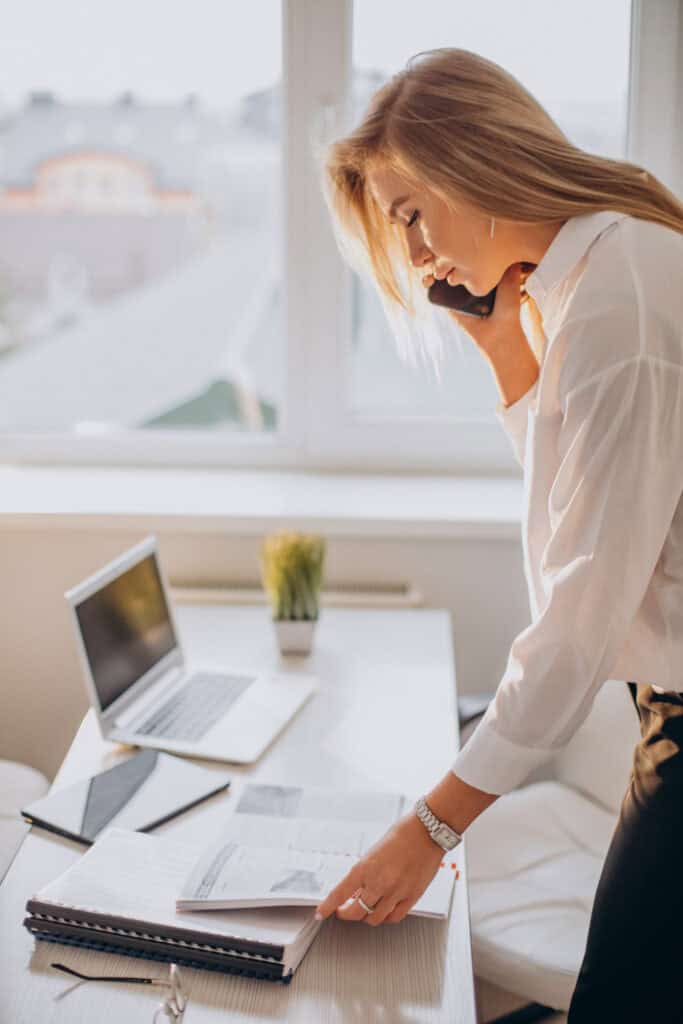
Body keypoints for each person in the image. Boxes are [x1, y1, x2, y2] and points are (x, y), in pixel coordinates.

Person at [313, 47, 683, 1022]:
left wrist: (430, 828)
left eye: (407, 217)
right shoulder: (581, 282)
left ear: (469, 166)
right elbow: (573, 533)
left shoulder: (617, 298)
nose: (418, 258)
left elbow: (574, 615)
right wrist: (505, 354)